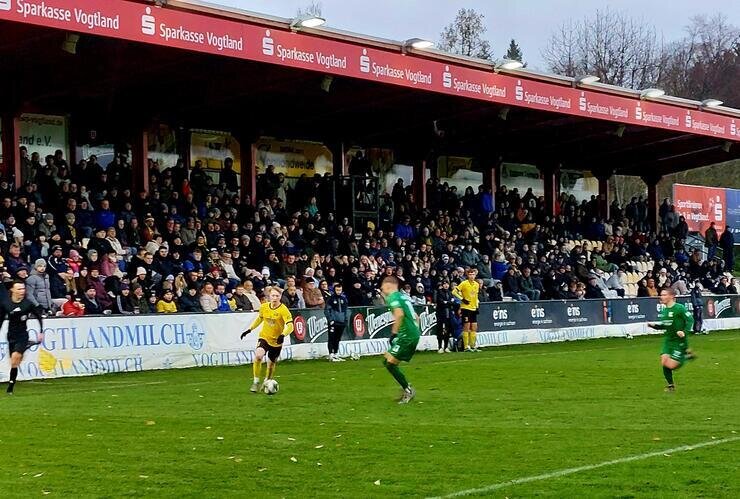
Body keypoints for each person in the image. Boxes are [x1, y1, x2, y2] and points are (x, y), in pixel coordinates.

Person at [240, 287, 294, 393]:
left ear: (280, 297)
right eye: (273, 295)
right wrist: (249, 329)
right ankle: (255, 382)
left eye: (277, 296)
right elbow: (260, 318)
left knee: (271, 364)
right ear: (269, 296)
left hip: (276, 341)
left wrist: (283, 334)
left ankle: (267, 381)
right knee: (258, 355)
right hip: (264, 337)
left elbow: (290, 325)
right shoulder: (264, 307)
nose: (275, 298)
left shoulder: (283, 310)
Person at [380, 275, 420, 404]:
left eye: (383, 286)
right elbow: (416, 317)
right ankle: (406, 388)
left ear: (389, 286)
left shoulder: (393, 297)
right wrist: (415, 331)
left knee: (390, 363)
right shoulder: (404, 297)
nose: (381, 289)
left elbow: (399, 314)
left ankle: (408, 390)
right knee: (387, 361)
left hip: (406, 335)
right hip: (411, 334)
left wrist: (394, 334)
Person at [648, 288, 695, 392]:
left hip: (679, 342)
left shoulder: (679, 308)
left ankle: (686, 355)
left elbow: (690, 319)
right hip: (668, 341)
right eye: (661, 295)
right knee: (664, 362)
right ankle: (671, 385)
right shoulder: (664, 310)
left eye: (664, 295)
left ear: (672, 296)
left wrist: (684, 331)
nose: (662, 297)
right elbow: (666, 325)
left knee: (671, 365)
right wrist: (655, 326)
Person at [0, 281, 44, 394]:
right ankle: (11, 385)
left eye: (23, 289)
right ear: (12, 290)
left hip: (22, 335)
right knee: (14, 363)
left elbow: (39, 316)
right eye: (19, 289)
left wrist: (41, 331)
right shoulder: (6, 304)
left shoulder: (27, 304)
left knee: (15, 358)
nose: (22, 291)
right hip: (11, 335)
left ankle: (10, 388)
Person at [452, 268, 481, 352]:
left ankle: (473, 346)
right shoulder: (464, 283)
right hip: (465, 308)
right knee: (466, 326)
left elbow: (476, 296)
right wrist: (462, 299)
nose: (472, 276)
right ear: (467, 275)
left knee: (474, 327)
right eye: (470, 274)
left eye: (473, 274)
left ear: (475, 275)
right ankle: (466, 346)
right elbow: (454, 292)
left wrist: (477, 306)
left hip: (473, 308)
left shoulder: (476, 284)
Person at [324, 283, 349, 362]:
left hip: (341, 322)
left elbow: (346, 311)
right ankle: (331, 355)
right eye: (337, 290)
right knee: (331, 338)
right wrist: (330, 320)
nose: (338, 291)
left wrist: (345, 320)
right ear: (334, 290)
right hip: (333, 322)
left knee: (338, 339)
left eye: (340, 290)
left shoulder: (344, 299)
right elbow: (327, 310)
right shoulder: (331, 299)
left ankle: (336, 354)